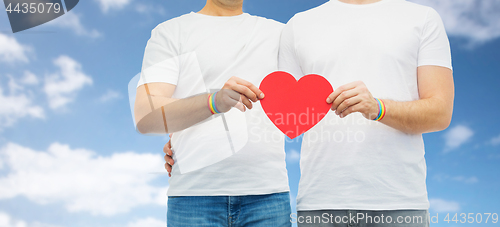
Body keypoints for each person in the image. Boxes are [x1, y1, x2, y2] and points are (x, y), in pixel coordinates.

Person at [278, 0, 454, 226]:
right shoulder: (297, 25)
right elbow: (287, 112)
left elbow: (440, 113)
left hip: (399, 203)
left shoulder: (423, 18)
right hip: (319, 202)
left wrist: (378, 108)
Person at [134, 0, 291, 226]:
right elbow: (145, 115)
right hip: (193, 196)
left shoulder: (280, 34)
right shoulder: (170, 32)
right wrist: (213, 102)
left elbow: (316, 92)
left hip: (268, 195)